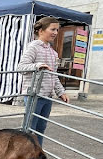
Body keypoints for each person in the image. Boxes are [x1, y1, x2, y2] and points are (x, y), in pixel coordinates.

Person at [17, 16, 69, 146]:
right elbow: (21, 67)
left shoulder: (53, 53)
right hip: (34, 95)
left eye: (57, 30)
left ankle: (37, 156)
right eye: (52, 29)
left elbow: (53, 75)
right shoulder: (33, 47)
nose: (56, 33)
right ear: (41, 31)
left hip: (47, 96)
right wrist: (37, 65)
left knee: (40, 129)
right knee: (30, 129)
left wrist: (60, 91)